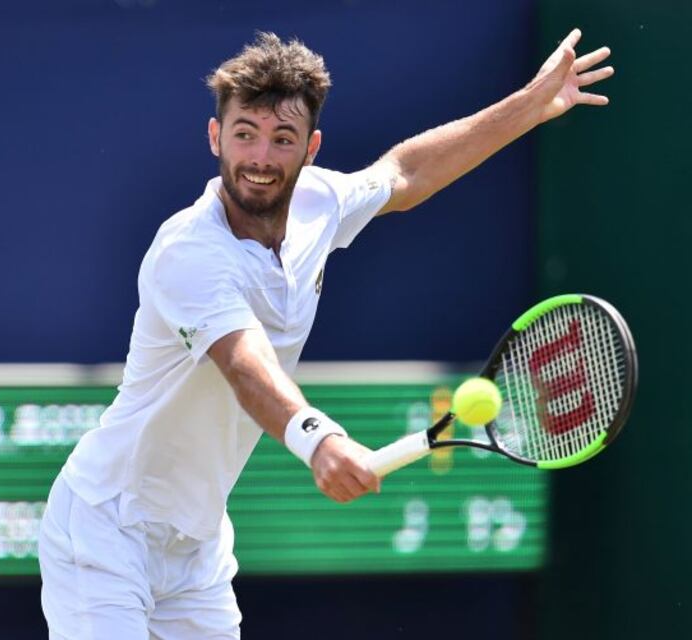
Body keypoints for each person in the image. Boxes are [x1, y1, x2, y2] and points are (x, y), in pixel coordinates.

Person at [38, 29, 612, 639]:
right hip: (106, 531)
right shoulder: (188, 253)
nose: (260, 157)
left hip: (196, 546)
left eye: (281, 139)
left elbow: (406, 173)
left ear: (309, 148)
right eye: (244, 135)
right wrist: (320, 440)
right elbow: (245, 364)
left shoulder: (319, 202)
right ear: (215, 138)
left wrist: (529, 104)